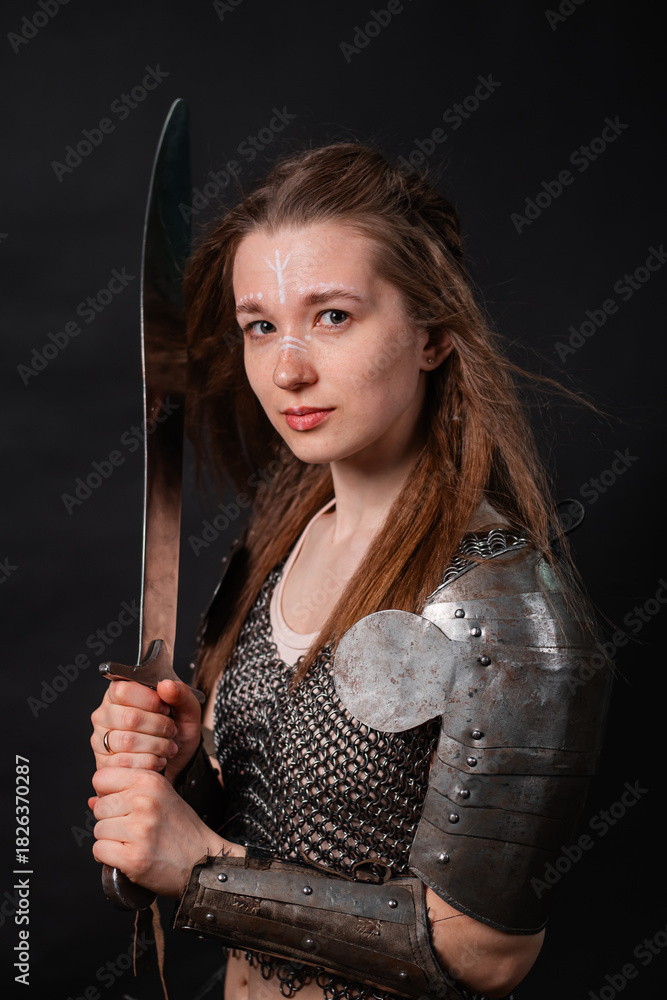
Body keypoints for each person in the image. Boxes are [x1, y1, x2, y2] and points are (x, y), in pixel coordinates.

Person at [89, 143, 610, 1000]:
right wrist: (179, 776)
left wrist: (200, 869)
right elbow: (284, 829)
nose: (287, 367)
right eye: (261, 326)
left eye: (332, 316)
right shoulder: (273, 547)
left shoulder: (500, 598)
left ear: (432, 334)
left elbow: (483, 951)